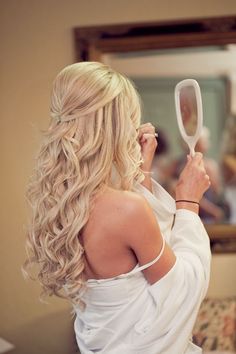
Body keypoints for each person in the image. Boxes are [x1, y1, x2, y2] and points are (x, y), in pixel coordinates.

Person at [23, 62, 211, 354]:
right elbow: (180, 293)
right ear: (115, 126)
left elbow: (133, 273)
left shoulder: (63, 205)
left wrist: (143, 173)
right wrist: (188, 202)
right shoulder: (126, 209)